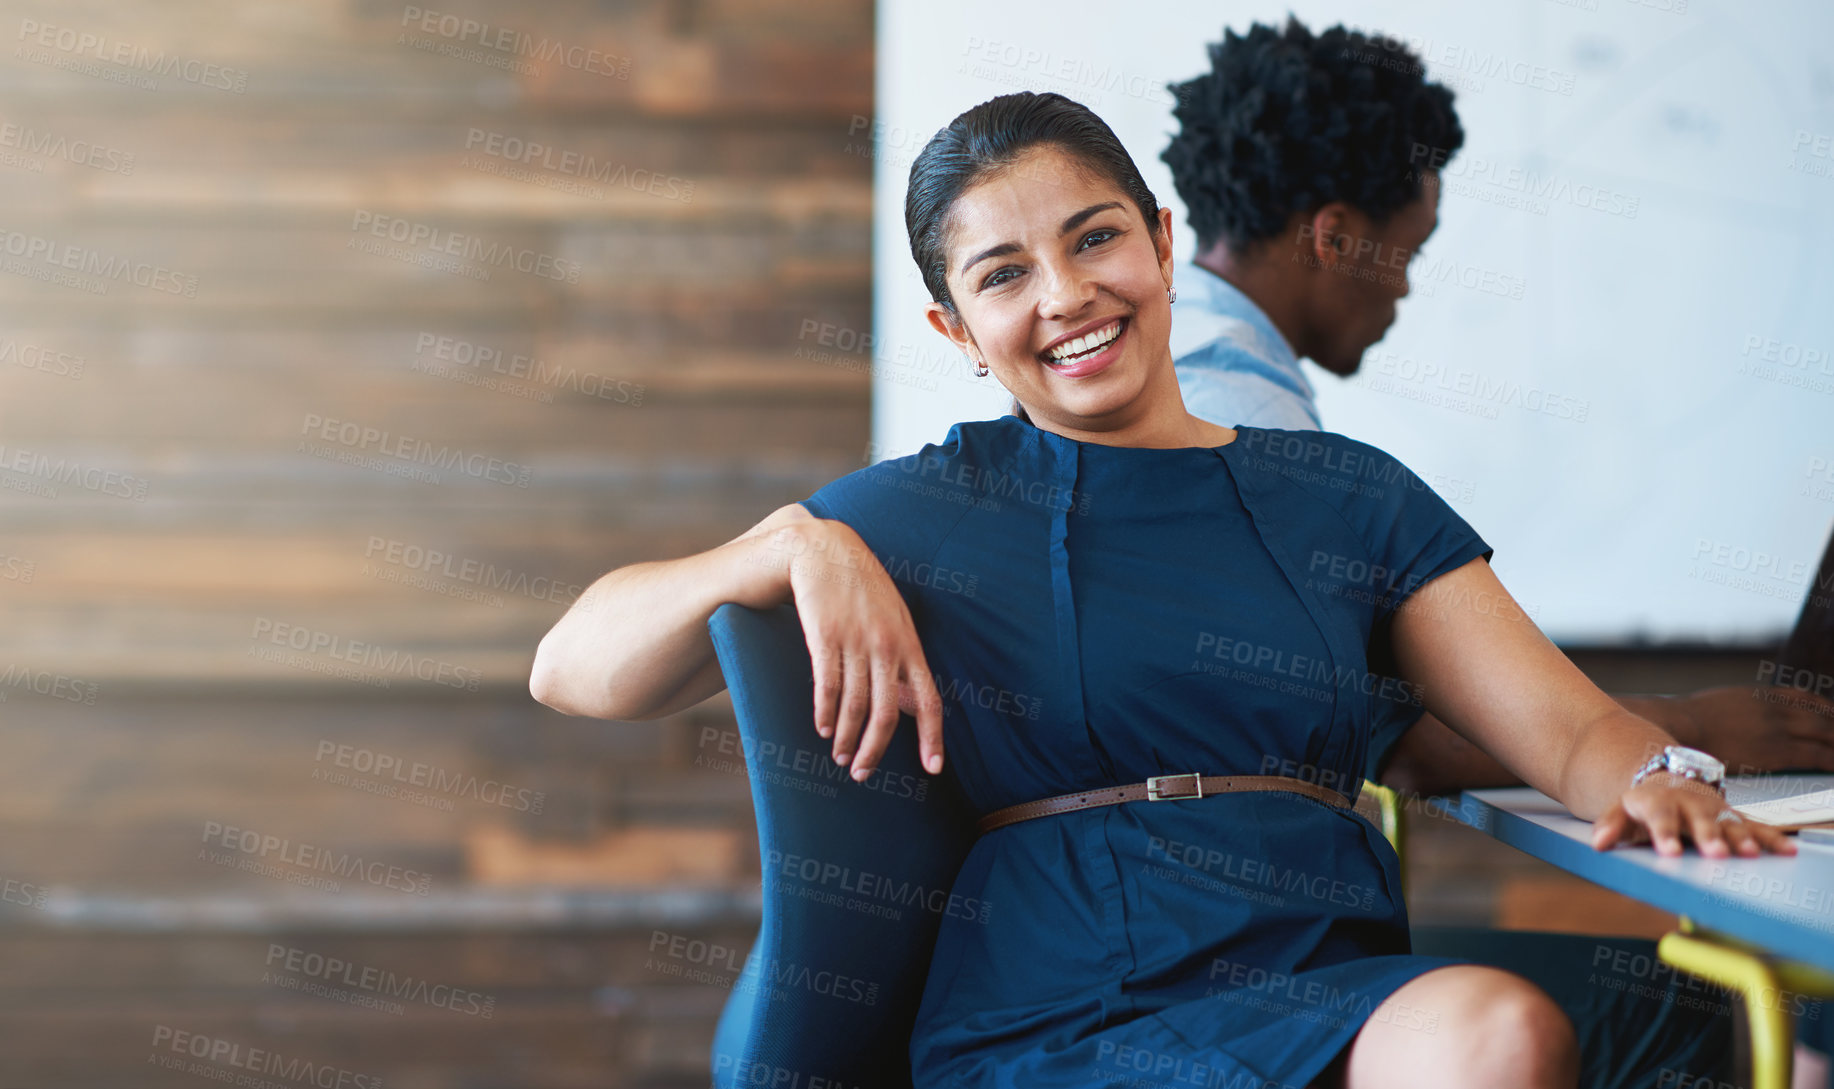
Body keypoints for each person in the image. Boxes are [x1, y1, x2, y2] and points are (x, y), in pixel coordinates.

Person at [530, 92, 1793, 1089]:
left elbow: (1566, 729)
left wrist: (1659, 781)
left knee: (1495, 1035)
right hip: (1048, 1004)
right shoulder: (923, 507)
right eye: (1003, 274)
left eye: (1095, 239)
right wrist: (786, 544)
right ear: (958, 335)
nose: (1068, 295)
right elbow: (571, 666)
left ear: (1162, 241)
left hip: (1307, 978)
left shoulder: (1349, 496)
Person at [1160, 18, 1834, 800]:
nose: (1404, 289)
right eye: (1407, 254)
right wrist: (1703, 729)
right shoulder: (1239, 423)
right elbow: (1404, 740)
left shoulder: (1192, 363)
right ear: (1336, 240)